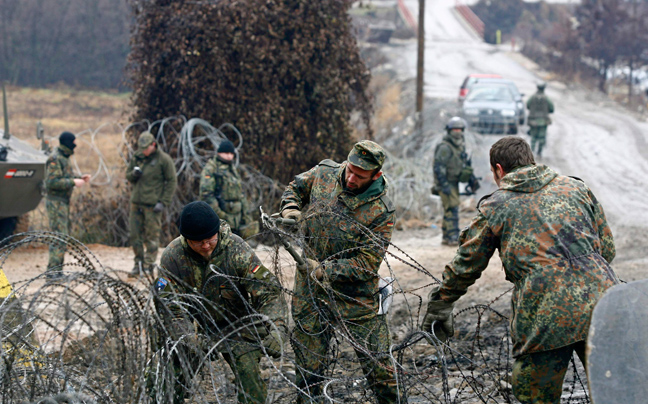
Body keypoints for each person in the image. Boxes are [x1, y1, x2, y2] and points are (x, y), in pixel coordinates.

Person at [422, 136, 618, 404]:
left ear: (499, 170)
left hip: (544, 315)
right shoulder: (576, 187)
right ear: (531, 160)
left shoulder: (496, 205)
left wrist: (441, 302)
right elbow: (607, 250)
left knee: (535, 396)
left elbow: (468, 262)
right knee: (615, 391)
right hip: (604, 304)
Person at [280, 140, 400, 403]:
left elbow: (367, 263)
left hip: (355, 295)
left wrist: (325, 270)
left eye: (360, 175)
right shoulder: (324, 174)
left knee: (380, 368)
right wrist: (290, 208)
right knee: (308, 369)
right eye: (350, 169)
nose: (352, 178)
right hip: (311, 289)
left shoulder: (381, 211)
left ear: (376, 175)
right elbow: (296, 187)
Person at [152, 201, 287, 404]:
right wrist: (191, 340)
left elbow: (268, 292)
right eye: (198, 242)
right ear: (186, 239)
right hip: (194, 328)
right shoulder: (172, 257)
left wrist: (277, 327)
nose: (206, 246)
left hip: (236, 326)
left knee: (249, 378)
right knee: (169, 376)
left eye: (210, 239)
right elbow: (169, 306)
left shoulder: (236, 249)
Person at [126, 131, 177, 277]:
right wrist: (133, 175)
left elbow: (172, 181)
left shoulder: (163, 160)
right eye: (142, 148)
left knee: (152, 237)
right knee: (135, 235)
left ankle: (148, 265)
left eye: (146, 148)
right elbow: (128, 175)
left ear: (153, 145)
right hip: (136, 203)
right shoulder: (138, 157)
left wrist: (163, 202)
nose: (144, 151)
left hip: (152, 205)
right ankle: (138, 264)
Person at [44, 132, 90, 280]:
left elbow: (64, 175)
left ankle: (57, 271)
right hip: (56, 203)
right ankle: (53, 272)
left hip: (62, 202)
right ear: (68, 143)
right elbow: (52, 182)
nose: (75, 145)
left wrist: (78, 177)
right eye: (73, 142)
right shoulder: (55, 159)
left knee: (62, 237)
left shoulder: (64, 157)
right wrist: (73, 182)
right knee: (58, 237)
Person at [199, 140, 257, 241]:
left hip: (236, 218)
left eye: (231, 153)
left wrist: (246, 216)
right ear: (219, 153)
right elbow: (206, 194)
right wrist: (219, 214)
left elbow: (240, 194)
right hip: (221, 215)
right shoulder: (212, 168)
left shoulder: (232, 169)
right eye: (226, 153)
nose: (229, 156)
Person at [433, 117, 474, 246]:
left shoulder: (460, 145)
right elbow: (438, 167)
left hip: (454, 181)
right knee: (452, 209)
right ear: (449, 131)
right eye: (454, 129)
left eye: (459, 129)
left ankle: (447, 236)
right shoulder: (445, 147)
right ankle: (452, 236)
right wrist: (443, 184)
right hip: (446, 182)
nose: (457, 132)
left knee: (450, 208)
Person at [526, 82, 554, 157]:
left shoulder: (532, 97)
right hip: (543, 121)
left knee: (533, 137)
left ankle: (532, 151)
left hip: (533, 120)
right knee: (542, 137)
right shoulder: (546, 98)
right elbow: (552, 109)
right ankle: (539, 151)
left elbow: (528, 105)